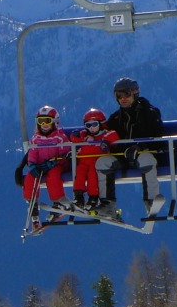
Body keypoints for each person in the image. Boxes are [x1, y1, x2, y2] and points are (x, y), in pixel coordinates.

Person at [101, 77, 167, 218]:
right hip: (122, 158)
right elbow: (107, 136)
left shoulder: (150, 113)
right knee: (102, 162)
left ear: (135, 94)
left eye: (127, 94)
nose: (123, 98)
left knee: (147, 159)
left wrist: (140, 147)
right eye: (118, 95)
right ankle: (107, 204)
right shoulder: (115, 119)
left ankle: (151, 202)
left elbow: (158, 138)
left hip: (143, 154)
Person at [22, 105, 74, 229]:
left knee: (53, 175)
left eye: (47, 121)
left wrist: (55, 162)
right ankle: (32, 201)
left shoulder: (59, 137)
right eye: (41, 121)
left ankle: (59, 201)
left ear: (54, 122)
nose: (44, 124)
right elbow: (32, 153)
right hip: (40, 166)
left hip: (57, 165)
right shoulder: (36, 138)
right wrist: (32, 165)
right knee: (30, 176)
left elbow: (65, 153)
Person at [70, 108, 118, 210]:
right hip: (83, 162)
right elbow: (75, 139)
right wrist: (76, 137)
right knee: (79, 175)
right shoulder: (84, 135)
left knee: (93, 176)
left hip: (95, 163)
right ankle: (78, 196)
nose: (91, 128)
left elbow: (114, 135)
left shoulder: (104, 135)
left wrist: (103, 141)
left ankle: (93, 197)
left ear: (101, 124)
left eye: (94, 124)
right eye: (88, 125)